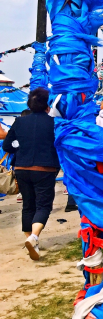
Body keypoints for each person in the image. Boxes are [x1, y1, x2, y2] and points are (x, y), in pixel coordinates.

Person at [2, 88, 60, 260]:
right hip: (45, 169)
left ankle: (30, 240)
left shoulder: (19, 122)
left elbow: (6, 146)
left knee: (28, 205)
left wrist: (21, 148)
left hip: (22, 168)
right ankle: (34, 237)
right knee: (43, 205)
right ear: (47, 105)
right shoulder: (54, 123)